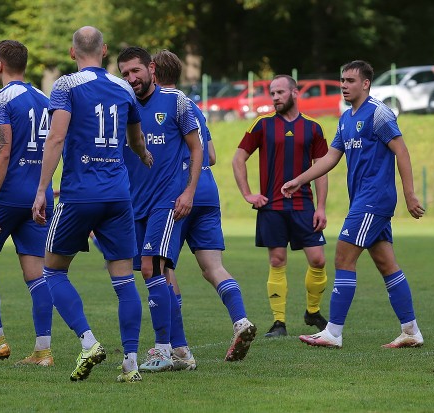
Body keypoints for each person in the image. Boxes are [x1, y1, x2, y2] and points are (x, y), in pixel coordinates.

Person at [32, 26, 153, 383]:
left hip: (79, 194)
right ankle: (131, 364)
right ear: (105, 50)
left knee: (52, 271)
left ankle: (88, 342)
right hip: (118, 195)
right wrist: (144, 154)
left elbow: (56, 137)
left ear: (73, 52)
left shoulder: (66, 86)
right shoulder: (123, 88)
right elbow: (136, 139)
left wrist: (42, 189)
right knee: (124, 281)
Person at [282, 60, 425, 349]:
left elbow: (401, 151)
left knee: (343, 257)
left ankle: (333, 332)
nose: (344, 85)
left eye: (350, 80)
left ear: (365, 83)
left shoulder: (379, 113)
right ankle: (411, 331)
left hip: (374, 199)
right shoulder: (346, 118)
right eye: (342, 80)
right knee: (386, 263)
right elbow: (331, 157)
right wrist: (300, 179)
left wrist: (410, 194)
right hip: (363, 199)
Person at [152, 50, 257, 364]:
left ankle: (178, 346)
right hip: (207, 191)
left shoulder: (160, 106)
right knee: (213, 267)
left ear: (153, 72)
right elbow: (210, 155)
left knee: (163, 270)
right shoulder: (193, 107)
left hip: (178, 192)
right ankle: (240, 320)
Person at [0, 40, 55, 366]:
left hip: (8, 196)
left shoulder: (0, 99)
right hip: (39, 197)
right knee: (36, 274)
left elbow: (2, 152)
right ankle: (43, 351)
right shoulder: (45, 99)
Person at [117, 46, 203, 372]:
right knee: (159, 275)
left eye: (135, 71)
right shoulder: (122, 106)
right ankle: (181, 351)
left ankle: (163, 350)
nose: (131, 78)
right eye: (125, 73)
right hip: (134, 204)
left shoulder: (176, 102)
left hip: (166, 201)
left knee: (152, 267)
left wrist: (189, 192)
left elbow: (197, 149)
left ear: (151, 68)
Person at [232, 75, 329, 338]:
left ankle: (312, 311)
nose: (275, 97)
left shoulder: (313, 128)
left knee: (318, 260)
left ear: (295, 93)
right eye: (272, 93)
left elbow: (322, 169)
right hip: (271, 207)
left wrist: (321, 207)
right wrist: (248, 194)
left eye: (280, 92)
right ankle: (279, 323)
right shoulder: (262, 125)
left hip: (304, 205)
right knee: (277, 260)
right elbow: (238, 159)